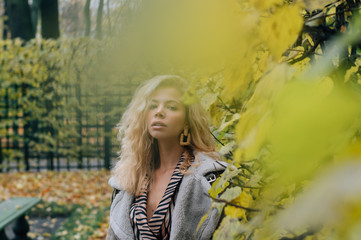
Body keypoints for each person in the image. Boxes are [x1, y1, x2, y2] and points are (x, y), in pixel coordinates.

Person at [106, 75, 226, 240]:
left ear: (187, 121)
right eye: (153, 106)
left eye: (171, 107)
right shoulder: (130, 177)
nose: (159, 112)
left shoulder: (209, 178)